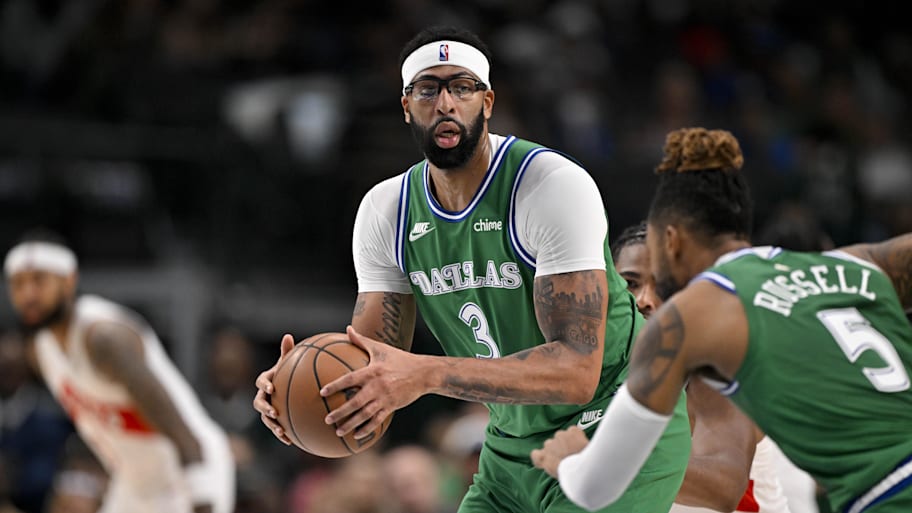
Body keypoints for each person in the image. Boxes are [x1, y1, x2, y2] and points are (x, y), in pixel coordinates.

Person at [254, 25, 691, 513]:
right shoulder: (386, 211)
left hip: (616, 419)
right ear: (406, 106)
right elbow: (375, 370)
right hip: (509, 447)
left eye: (461, 87)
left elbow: (576, 372)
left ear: (487, 102)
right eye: (428, 90)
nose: (445, 103)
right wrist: (299, 393)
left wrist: (426, 374)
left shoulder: (549, 184)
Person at [531, 127, 912, 513]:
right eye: (631, 282)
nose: (645, 298)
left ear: (671, 241)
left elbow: (595, 487)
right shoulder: (852, 264)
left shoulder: (690, 322)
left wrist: (572, 461)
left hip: (884, 494)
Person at [3, 231, 236, 513]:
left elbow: (181, 431)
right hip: (134, 483)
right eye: (18, 284)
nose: (28, 294)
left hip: (187, 471)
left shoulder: (104, 338)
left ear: (69, 281)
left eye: (39, 280)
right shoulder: (41, 350)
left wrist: (201, 496)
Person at [612, 222, 805, 513]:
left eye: (662, 286)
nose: (644, 300)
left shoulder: (718, 372)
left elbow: (723, 487)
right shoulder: (597, 375)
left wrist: (600, 454)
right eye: (630, 283)